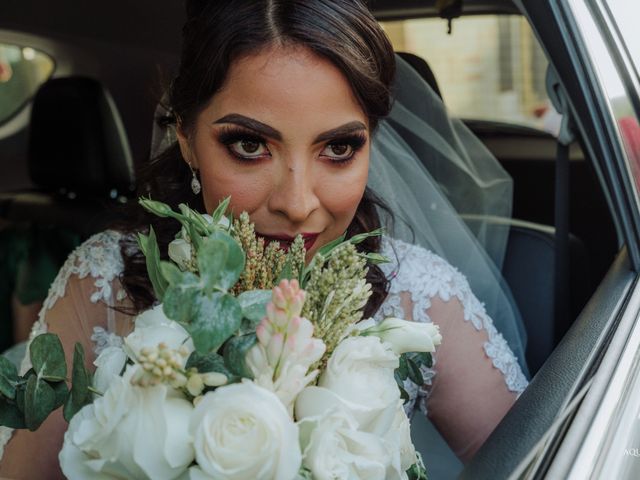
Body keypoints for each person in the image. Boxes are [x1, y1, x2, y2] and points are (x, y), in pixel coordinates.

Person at [0, 0, 528, 478]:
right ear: (186, 139)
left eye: (339, 148)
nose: (297, 203)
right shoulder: (105, 282)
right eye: (250, 145)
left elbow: (535, 464)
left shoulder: (420, 295)